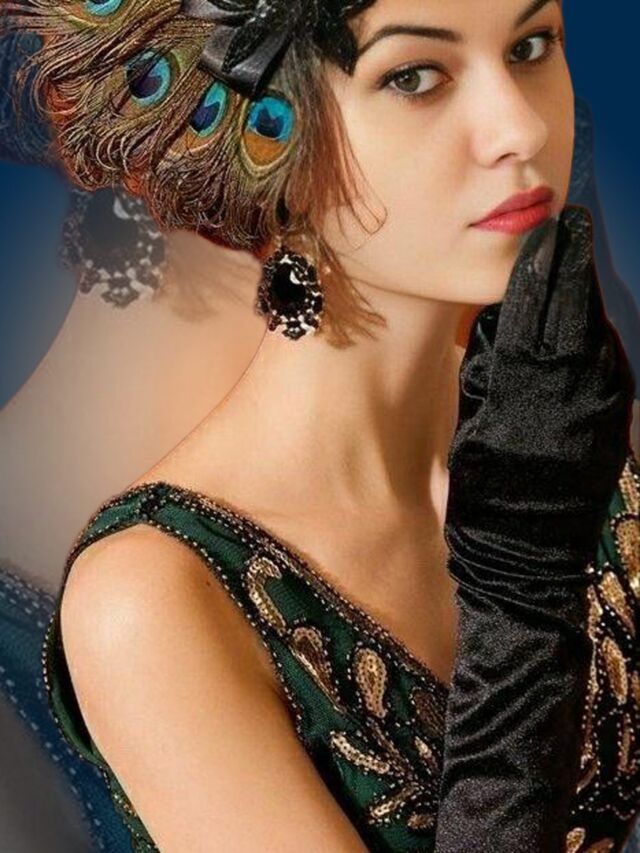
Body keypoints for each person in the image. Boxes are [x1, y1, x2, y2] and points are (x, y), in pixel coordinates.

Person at [5, 0, 640, 851]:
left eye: (531, 47)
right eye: (414, 77)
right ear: (267, 132)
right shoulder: (156, 599)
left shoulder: (576, 428)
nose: (520, 128)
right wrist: (523, 586)